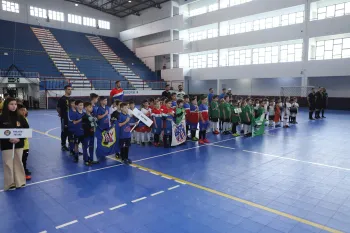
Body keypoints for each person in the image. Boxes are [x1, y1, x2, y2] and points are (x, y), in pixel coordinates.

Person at [0, 97, 29, 191]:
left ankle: (20, 181)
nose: (14, 106)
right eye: (11, 104)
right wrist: (9, 138)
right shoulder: (2, 117)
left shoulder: (20, 117)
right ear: (6, 105)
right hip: (7, 145)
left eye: (15, 104)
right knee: (8, 163)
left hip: (19, 144)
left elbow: (26, 129)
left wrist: (19, 138)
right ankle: (10, 183)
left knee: (18, 162)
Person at [17, 104, 31, 180]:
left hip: (25, 144)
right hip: (19, 143)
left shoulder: (25, 119)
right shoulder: (17, 120)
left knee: (24, 158)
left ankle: (24, 169)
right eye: (22, 110)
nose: (24, 111)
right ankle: (22, 172)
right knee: (20, 159)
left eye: (24, 110)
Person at [56, 85, 72, 151]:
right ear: (65, 90)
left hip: (71, 118)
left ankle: (71, 144)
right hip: (64, 118)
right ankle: (63, 145)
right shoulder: (62, 99)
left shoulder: (72, 99)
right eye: (68, 89)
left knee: (70, 131)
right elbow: (58, 107)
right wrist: (61, 114)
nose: (70, 90)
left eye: (71, 89)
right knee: (64, 131)